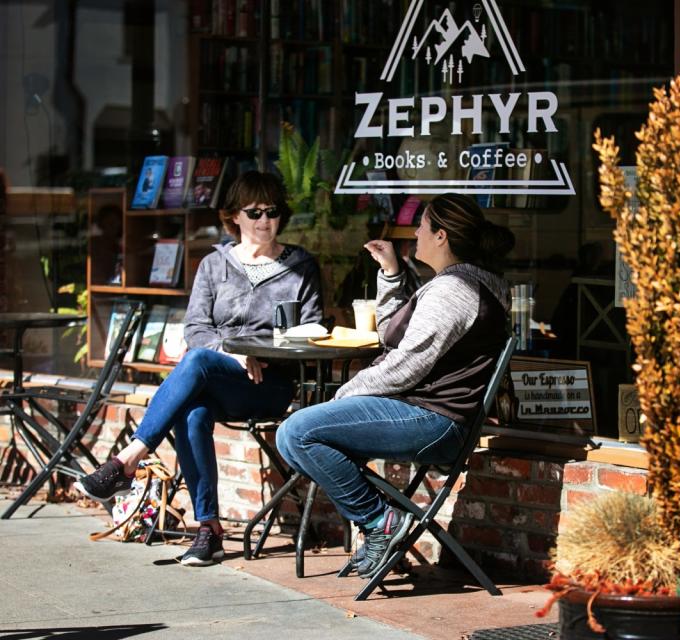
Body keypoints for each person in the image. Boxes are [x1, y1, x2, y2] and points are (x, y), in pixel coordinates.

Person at [75, 171, 323, 566]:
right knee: (192, 410)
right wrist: (231, 352)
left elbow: (312, 330)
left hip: (270, 384)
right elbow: (195, 328)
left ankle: (127, 460)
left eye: (272, 211)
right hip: (221, 379)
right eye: (254, 211)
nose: (264, 220)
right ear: (234, 217)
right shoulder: (213, 264)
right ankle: (209, 529)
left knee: (197, 361)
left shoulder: (300, 267)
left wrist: (259, 350)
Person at [276, 193, 515, 579]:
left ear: (441, 236)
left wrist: (344, 394)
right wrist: (390, 273)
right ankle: (383, 531)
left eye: (422, 225)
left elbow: (406, 365)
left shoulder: (454, 290)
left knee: (297, 432)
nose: (415, 232)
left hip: (433, 420)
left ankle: (381, 522)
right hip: (429, 415)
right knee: (313, 436)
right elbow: (394, 337)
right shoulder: (462, 283)